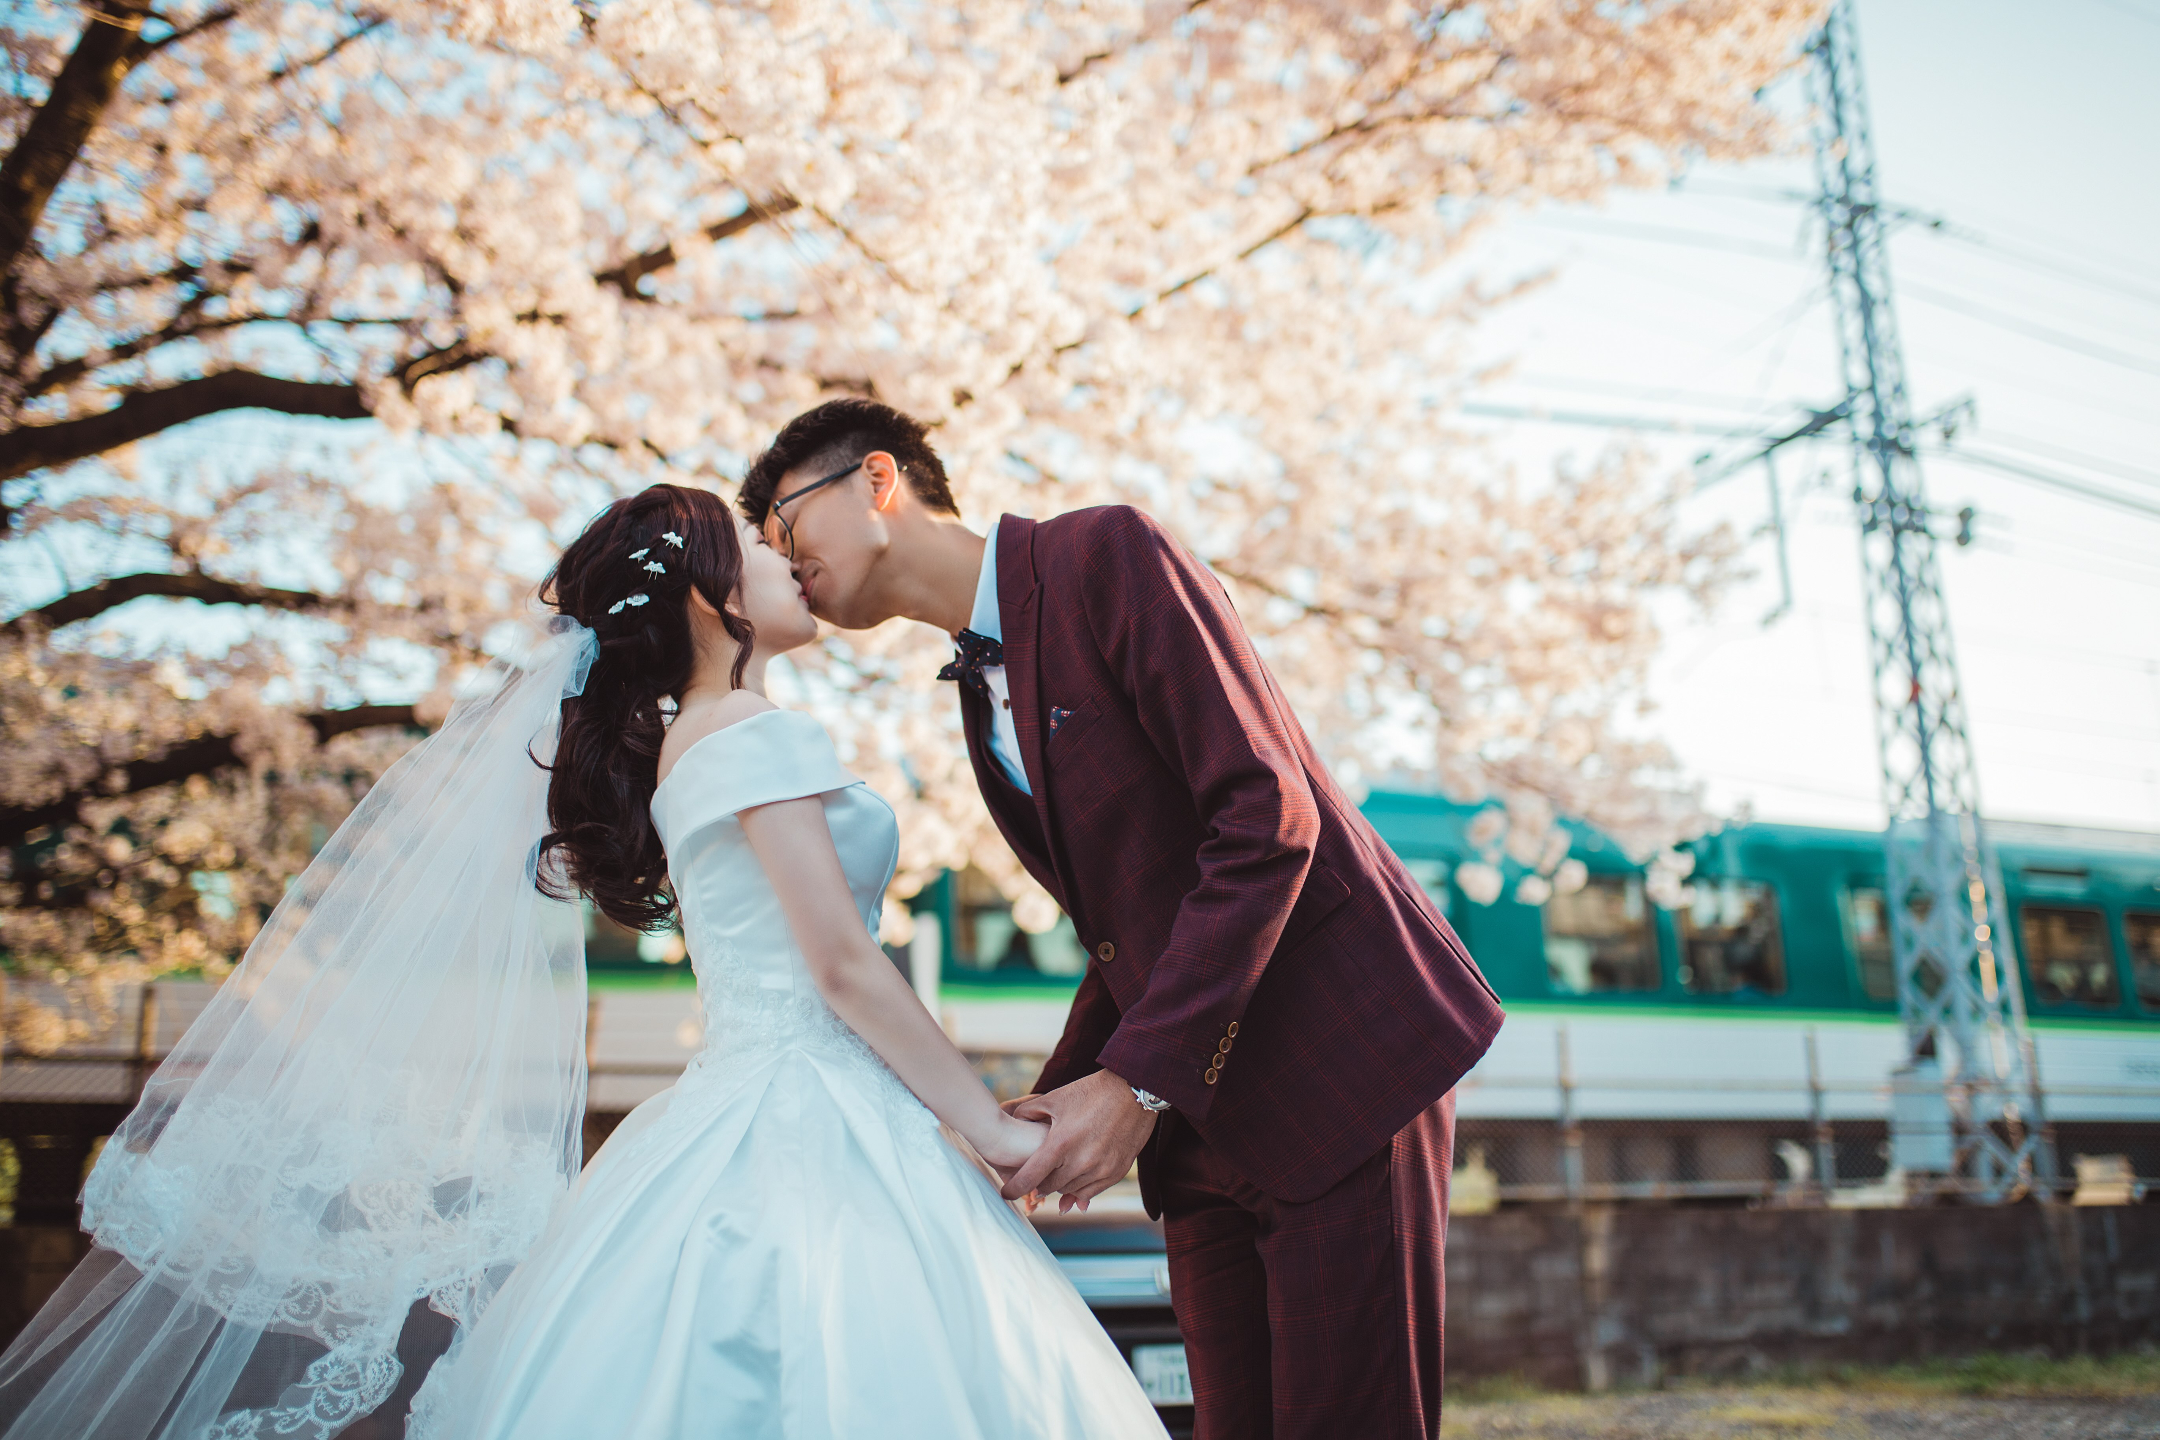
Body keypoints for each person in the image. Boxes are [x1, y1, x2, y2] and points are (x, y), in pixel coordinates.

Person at [0, 484, 1166, 1439]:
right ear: (715, 599)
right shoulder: (757, 732)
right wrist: (996, 1130)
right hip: (816, 1105)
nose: (789, 565)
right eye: (761, 553)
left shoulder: (690, 747)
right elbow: (847, 971)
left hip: (741, 1104)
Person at [739, 400, 1508, 1440]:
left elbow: (1265, 816)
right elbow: (1125, 928)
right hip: (1199, 1124)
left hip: (1341, 1070)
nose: (783, 563)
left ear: (879, 482)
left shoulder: (1107, 553)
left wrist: (1136, 1081)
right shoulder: (976, 695)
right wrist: (1048, 1110)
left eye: (784, 526)